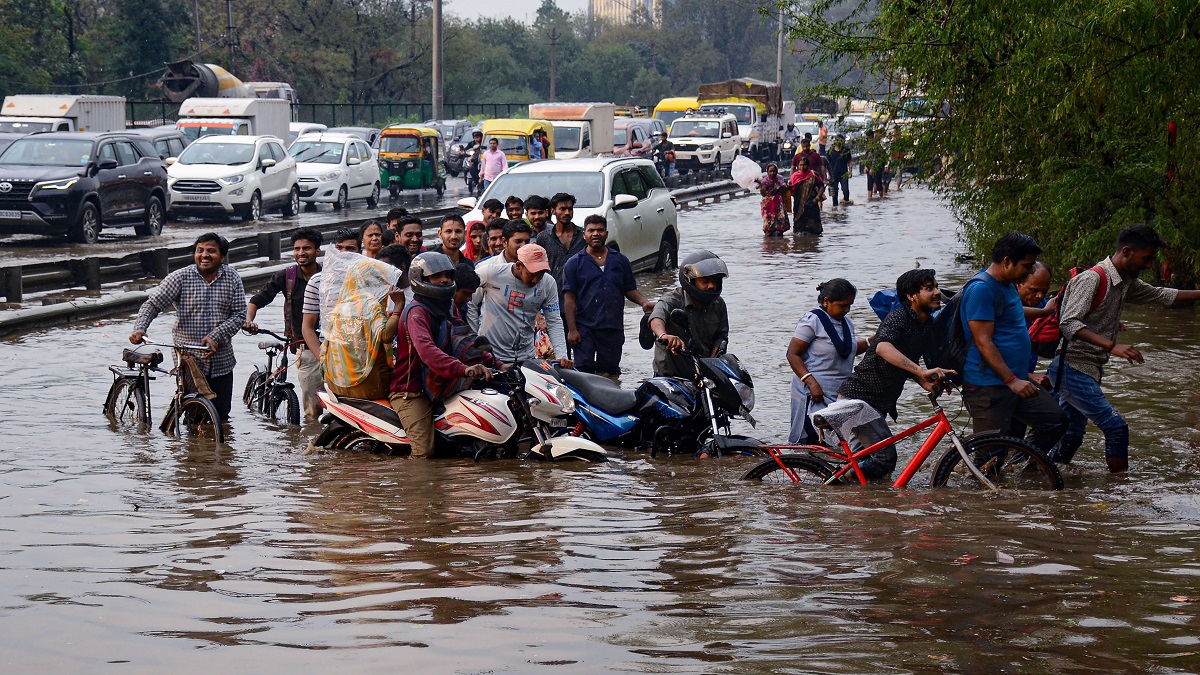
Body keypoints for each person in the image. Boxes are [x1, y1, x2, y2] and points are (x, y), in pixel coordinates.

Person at [1049, 224, 1200, 472]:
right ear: (1127, 252)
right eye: (1147, 258)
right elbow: (1068, 323)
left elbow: (1162, 295)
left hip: (1087, 369)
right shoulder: (1093, 278)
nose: (1150, 265)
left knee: (1072, 435)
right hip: (1072, 367)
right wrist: (1112, 346)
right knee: (1116, 427)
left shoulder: (1125, 282)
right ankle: (1119, 490)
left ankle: (1037, 475)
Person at [837, 269, 956, 480]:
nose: (937, 292)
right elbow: (883, 348)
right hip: (861, 398)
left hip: (874, 403)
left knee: (869, 470)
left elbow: (904, 360)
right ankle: (833, 484)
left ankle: (854, 506)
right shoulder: (899, 316)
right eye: (929, 289)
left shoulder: (925, 323)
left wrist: (923, 381)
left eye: (936, 287)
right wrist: (921, 371)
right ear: (912, 296)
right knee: (885, 458)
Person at [959, 232, 1067, 458]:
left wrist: (1044, 311)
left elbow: (1011, 312)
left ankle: (1020, 465)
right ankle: (975, 491)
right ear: (1007, 261)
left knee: (1055, 422)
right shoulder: (981, 289)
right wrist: (1012, 380)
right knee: (990, 457)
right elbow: (983, 341)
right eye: (1027, 266)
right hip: (989, 386)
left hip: (1016, 381)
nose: (1030, 272)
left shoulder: (1006, 285)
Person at [389, 252, 502, 458]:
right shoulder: (416, 312)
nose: (444, 280)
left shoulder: (448, 306)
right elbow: (429, 353)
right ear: (420, 279)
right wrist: (464, 369)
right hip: (412, 391)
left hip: (442, 383)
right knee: (424, 452)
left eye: (448, 276)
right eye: (436, 276)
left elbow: (465, 338)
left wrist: (497, 363)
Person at [129, 233, 245, 422]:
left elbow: (239, 314)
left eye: (211, 251)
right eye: (200, 251)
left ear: (222, 257)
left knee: (222, 415)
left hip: (222, 360)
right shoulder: (180, 278)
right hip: (189, 358)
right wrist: (140, 328)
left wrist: (216, 336)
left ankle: (216, 450)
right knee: (193, 411)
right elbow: (153, 304)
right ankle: (192, 447)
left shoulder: (232, 278)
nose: (205, 255)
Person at [244, 228, 324, 419]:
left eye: (307, 248)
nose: (301, 253)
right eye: (297, 249)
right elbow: (257, 300)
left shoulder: (328, 275)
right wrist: (249, 321)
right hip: (302, 346)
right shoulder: (286, 277)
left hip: (332, 343)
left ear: (318, 251)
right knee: (313, 408)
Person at [562, 215, 655, 375]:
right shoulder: (574, 263)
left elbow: (629, 289)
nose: (596, 234)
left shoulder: (620, 261)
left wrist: (643, 302)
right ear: (584, 235)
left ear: (606, 233)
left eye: (600, 230)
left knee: (610, 371)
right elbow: (569, 299)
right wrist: (572, 330)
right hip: (584, 327)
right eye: (591, 230)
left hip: (613, 327)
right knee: (584, 370)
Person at [787, 279, 870, 444]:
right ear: (826, 301)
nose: (847, 310)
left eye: (849, 305)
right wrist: (811, 383)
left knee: (842, 447)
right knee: (816, 444)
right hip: (814, 396)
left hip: (839, 396)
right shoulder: (812, 321)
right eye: (842, 305)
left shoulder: (846, 323)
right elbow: (792, 354)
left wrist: (871, 341)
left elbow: (848, 349)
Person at [469, 243, 570, 366]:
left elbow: (554, 320)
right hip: (492, 355)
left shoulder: (548, 283)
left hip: (526, 355)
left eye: (541, 274)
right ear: (518, 266)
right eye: (532, 275)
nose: (536, 280)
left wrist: (562, 356)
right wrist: (474, 338)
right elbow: (470, 301)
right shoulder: (491, 273)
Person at [649, 251, 729, 378]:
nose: (711, 286)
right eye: (705, 281)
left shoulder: (718, 305)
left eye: (715, 281)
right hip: (670, 377)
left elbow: (722, 335)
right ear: (691, 281)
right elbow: (656, 317)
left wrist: (716, 354)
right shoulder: (671, 300)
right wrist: (665, 336)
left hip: (703, 376)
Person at [300, 229, 362, 367]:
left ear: (360, 253)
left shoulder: (369, 280)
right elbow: (307, 327)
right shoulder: (317, 282)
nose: (343, 253)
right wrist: (323, 359)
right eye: (339, 248)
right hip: (330, 352)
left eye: (350, 249)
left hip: (364, 353)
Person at [536, 192, 584, 297]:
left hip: (580, 293)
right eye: (562, 209)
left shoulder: (583, 236)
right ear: (552, 211)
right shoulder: (543, 237)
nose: (567, 213)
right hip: (552, 294)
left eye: (570, 209)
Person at [756, 163, 791, 236]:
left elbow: (784, 187)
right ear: (767, 172)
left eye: (774, 171)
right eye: (770, 171)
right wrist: (760, 184)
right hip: (768, 205)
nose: (772, 173)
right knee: (769, 223)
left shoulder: (780, 178)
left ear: (777, 171)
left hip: (779, 204)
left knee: (780, 221)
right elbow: (764, 194)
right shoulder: (765, 181)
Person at [791, 159, 823, 235]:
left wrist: (817, 198)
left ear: (808, 166)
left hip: (811, 203)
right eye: (800, 165)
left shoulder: (813, 175)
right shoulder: (795, 176)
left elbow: (821, 186)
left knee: (812, 228)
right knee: (798, 228)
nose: (802, 167)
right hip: (798, 204)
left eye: (804, 165)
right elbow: (792, 189)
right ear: (798, 166)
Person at [826, 136, 853, 206]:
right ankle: (835, 210)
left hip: (844, 173)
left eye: (841, 141)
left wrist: (850, 171)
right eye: (837, 140)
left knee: (845, 190)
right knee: (834, 193)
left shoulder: (846, 150)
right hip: (833, 175)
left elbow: (849, 161)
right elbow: (827, 163)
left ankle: (845, 204)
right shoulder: (830, 151)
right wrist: (828, 175)